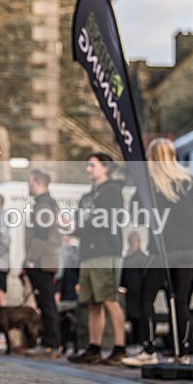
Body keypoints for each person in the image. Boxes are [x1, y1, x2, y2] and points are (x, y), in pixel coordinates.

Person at [122, 139, 193, 367]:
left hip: (163, 249)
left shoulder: (149, 184)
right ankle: (183, 351)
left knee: (146, 296)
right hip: (187, 249)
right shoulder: (189, 181)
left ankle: (149, 348)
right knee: (180, 301)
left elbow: (136, 214)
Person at [68, 153, 127, 365]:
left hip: (106, 250)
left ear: (106, 168)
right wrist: (71, 227)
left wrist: (77, 229)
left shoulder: (113, 191)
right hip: (88, 253)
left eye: (92, 165)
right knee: (92, 302)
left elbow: (106, 220)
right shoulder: (88, 195)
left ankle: (119, 348)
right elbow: (79, 220)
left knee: (109, 299)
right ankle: (93, 348)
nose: (88, 169)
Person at [23, 170, 62, 358]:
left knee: (46, 304)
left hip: (41, 261)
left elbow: (41, 234)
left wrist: (31, 258)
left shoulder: (44, 204)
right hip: (43, 259)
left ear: (38, 182)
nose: (28, 185)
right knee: (45, 302)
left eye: (30, 182)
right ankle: (49, 342)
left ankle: (51, 343)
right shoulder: (44, 203)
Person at [119, 232, 148, 346]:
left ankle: (140, 340)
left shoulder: (142, 257)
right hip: (129, 291)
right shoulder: (127, 257)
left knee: (138, 317)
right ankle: (135, 339)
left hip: (138, 290)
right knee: (131, 316)